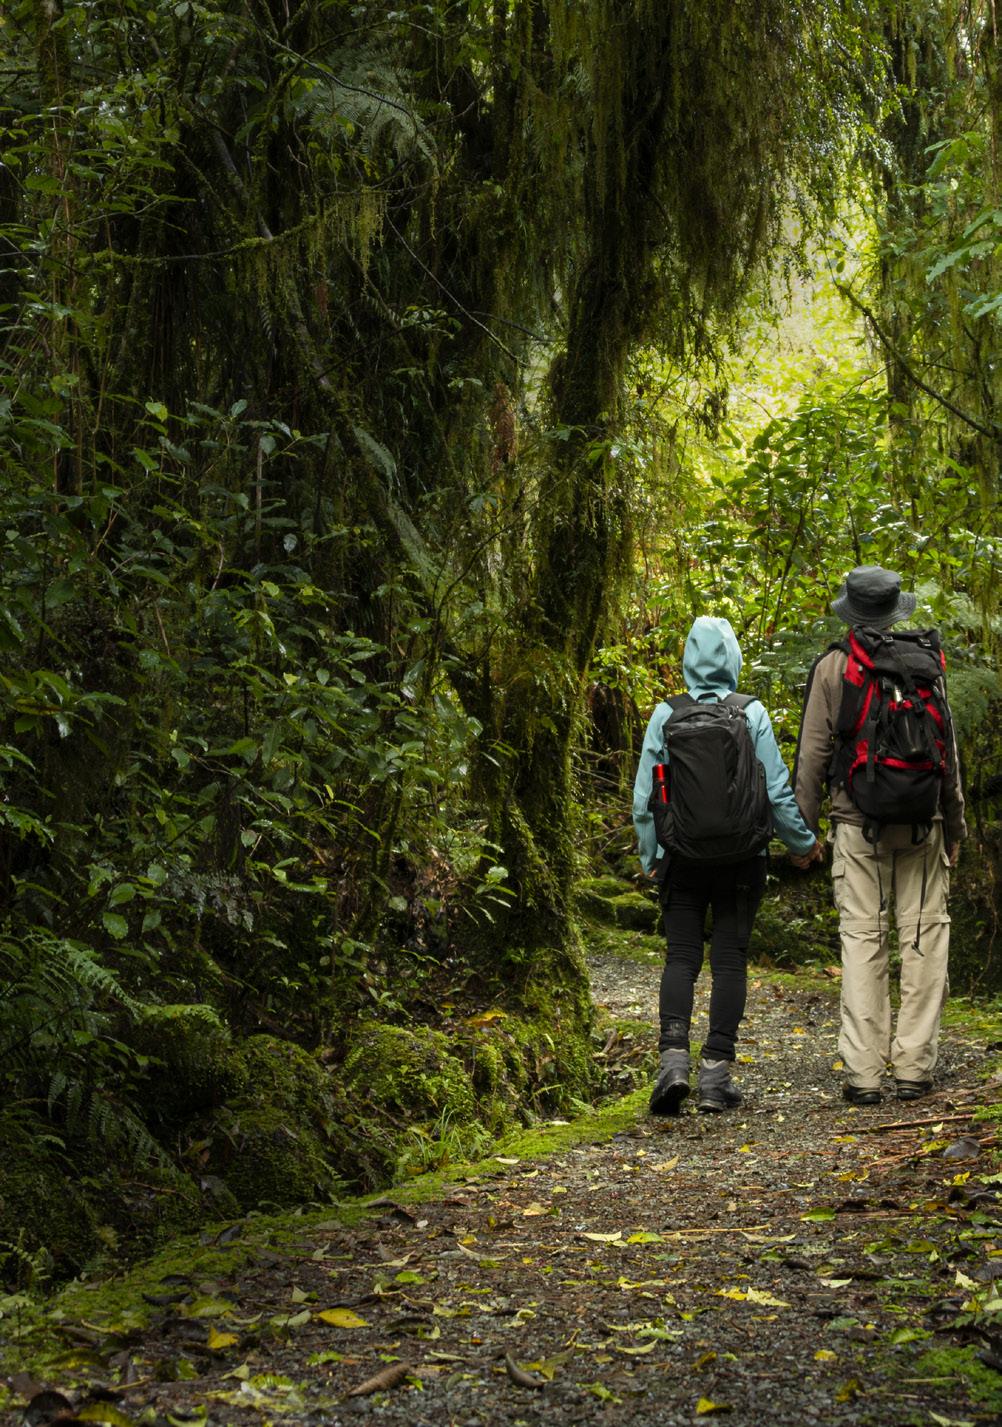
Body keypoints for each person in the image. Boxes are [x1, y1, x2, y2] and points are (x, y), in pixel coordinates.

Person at [633, 616, 821, 1115]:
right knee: (730, 960)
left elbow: (645, 796)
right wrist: (802, 843)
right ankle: (715, 1078)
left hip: (681, 856)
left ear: (688, 658)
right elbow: (776, 790)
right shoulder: (750, 712)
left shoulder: (666, 714)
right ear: (734, 658)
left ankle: (674, 1064)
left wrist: (651, 854)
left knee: (681, 957)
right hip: (742, 858)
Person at [793, 565, 967, 1106]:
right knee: (924, 940)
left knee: (863, 941)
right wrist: (954, 824)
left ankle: (865, 1075)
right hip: (923, 823)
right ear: (895, 612)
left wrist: (803, 833)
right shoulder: (926, 662)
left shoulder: (834, 666)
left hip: (856, 823)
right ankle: (914, 1068)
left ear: (851, 611)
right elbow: (948, 752)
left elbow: (813, 754)